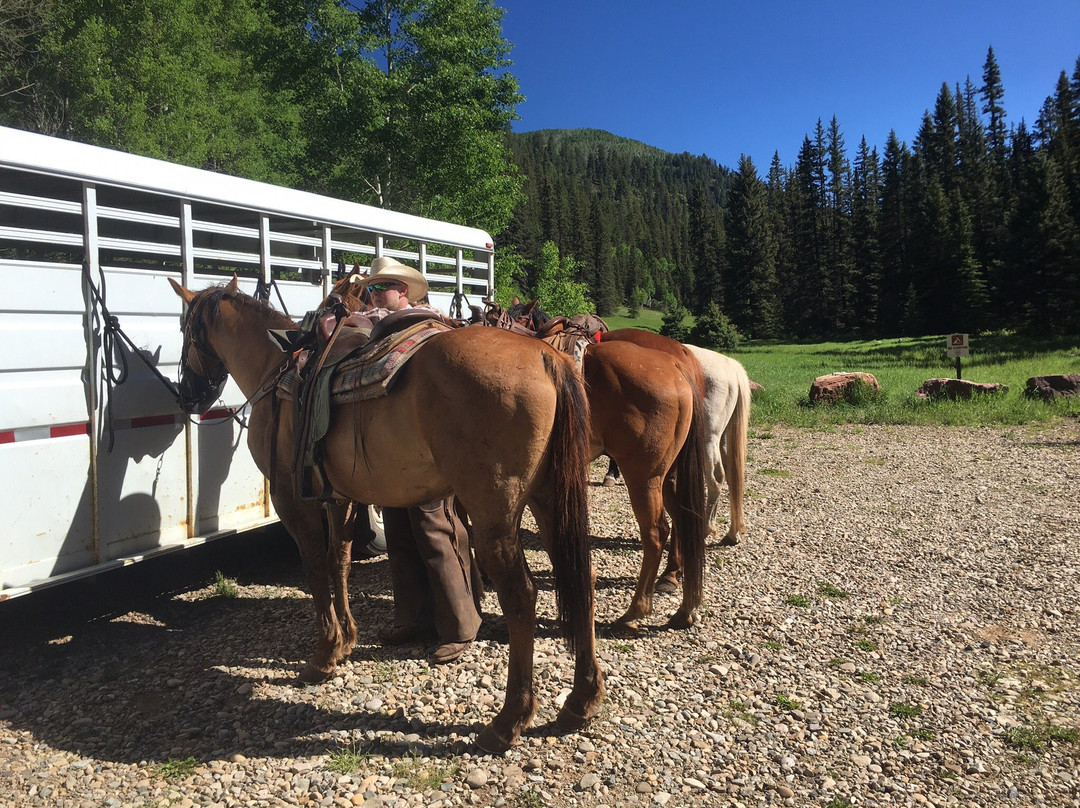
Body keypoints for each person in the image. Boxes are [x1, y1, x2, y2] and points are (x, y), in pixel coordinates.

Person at [356, 256, 483, 664]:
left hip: (423, 447)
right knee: (400, 530)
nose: (372, 295)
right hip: (395, 448)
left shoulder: (425, 328)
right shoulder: (384, 328)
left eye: (380, 288)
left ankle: (461, 625)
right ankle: (413, 616)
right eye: (369, 289)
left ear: (403, 292)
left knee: (435, 528)